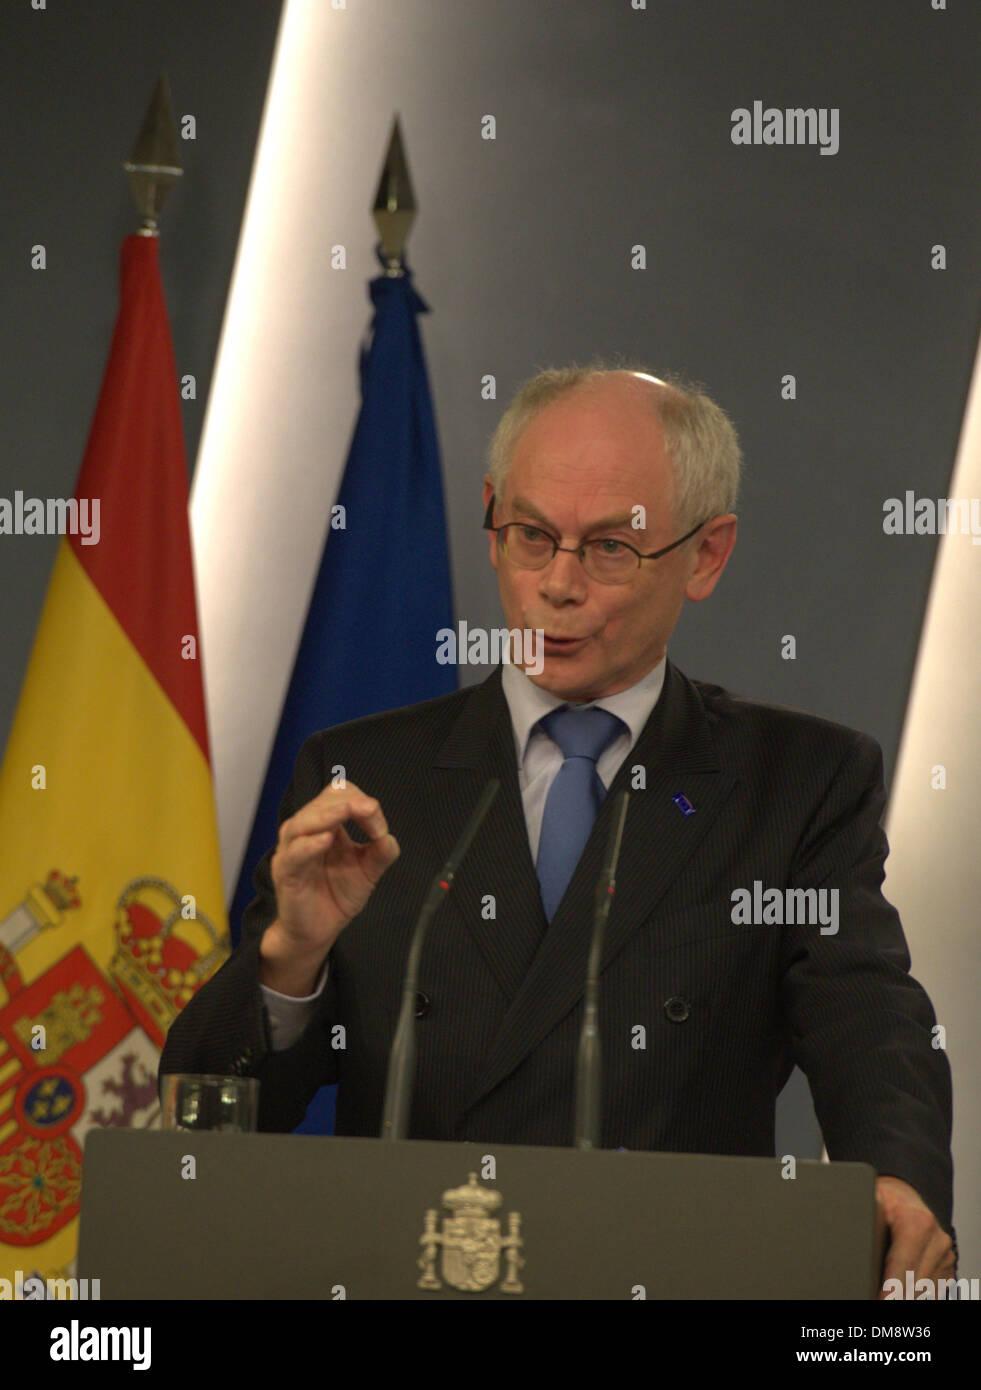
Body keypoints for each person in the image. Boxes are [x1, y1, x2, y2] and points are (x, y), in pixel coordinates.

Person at [160, 364, 955, 1294]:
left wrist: (895, 1171)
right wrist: (291, 959)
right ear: (492, 519)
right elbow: (213, 1122)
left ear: (705, 555)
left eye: (611, 548)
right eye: (532, 536)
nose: (558, 584)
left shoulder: (795, 782)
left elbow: (865, 1014)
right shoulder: (368, 776)